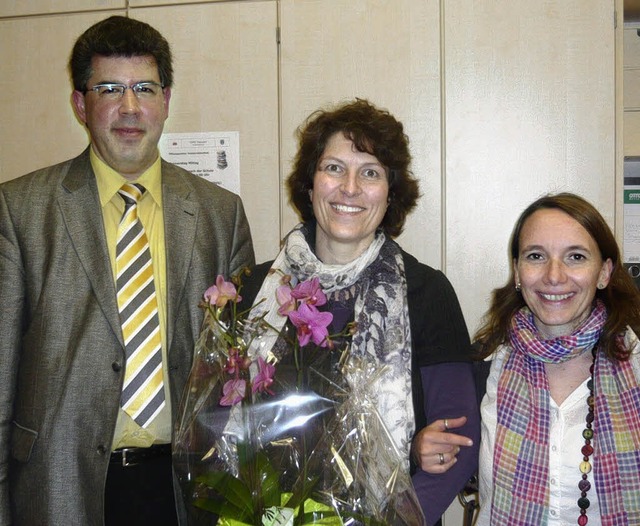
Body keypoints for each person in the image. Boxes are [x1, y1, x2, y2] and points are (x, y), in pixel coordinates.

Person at [0, 15, 254, 526]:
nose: (130, 107)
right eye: (109, 89)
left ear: (166, 99)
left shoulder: (219, 214)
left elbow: (241, 373)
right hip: (57, 484)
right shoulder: (20, 209)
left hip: (187, 489)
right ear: (80, 104)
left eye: (144, 88)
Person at [236, 98, 479, 525]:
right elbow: (225, 427)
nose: (349, 187)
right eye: (333, 168)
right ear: (310, 186)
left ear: (391, 193)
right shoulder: (254, 291)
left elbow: (456, 443)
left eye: (370, 173)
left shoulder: (427, 292)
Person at [474, 192, 640, 526]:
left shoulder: (635, 367)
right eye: (536, 256)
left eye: (576, 257)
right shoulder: (484, 365)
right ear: (518, 273)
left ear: (604, 272)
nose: (554, 275)